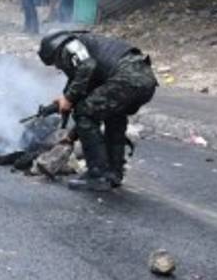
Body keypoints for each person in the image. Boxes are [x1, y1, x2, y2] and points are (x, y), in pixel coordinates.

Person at [38, 30, 157, 192]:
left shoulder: (70, 45)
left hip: (125, 78)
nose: (59, 67)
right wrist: (71, 135)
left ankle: (97, 173)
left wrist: (69, 98)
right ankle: (114, 173)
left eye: (56, 63)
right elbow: (90, 99)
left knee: (84, 112)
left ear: (56, 50)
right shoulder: (89, 47)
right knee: (114, 117)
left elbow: (86, 66)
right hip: (145, 80)